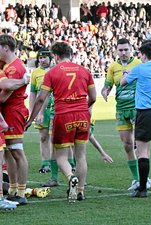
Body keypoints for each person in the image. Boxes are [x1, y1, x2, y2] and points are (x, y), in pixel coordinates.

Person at [25, 41, 96, 202]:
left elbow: (41, 98)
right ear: (70, 55)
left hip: (63, 116)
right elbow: (93, 97)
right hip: (83, 115)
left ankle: (71, 177)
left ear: (55, 56)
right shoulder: (84, 71)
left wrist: (31, 119)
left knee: (61, 156)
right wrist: (83, 108)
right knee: (81, 156)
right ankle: (80, 191)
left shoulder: (52, 73)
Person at [101, 38, 151, 191]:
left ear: (131, 49)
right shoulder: (113, 67)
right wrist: (105, 91)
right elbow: (108, 84)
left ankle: (145, 179)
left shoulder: (138, 64)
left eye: (126, 50)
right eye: (120, 50)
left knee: (140, 144)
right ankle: (136, 179)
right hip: (121, 109)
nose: (123, 53)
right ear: (116, 50)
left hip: (137, 108)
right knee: (128, 145)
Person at [120, 41, 151, 197]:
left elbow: (123, 83)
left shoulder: (139, 69)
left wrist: (125, 73)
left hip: (145, 112)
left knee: (143, 151)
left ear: (144, 54)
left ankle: (142, 189)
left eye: (140, 54)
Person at [0, 34, 30, 205]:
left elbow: (3, 97)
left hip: (13, 111)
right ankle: (13, 188)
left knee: (17, 151)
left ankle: (21, 191)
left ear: (5, 47)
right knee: (9, 152)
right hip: (9, 112)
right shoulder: (9, 66)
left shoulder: (15, 68)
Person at [29, 48, 54, 174]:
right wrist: (32, 111)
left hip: (56, 108)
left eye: (44, 57)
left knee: (56, 138)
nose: (42, 60)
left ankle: (61, 162)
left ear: (51, 58)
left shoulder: (56, 70)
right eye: (40, 58)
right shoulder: (35, 73)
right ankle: (45, 163)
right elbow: (33, 92)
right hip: (41, 110)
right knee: (43, 137)